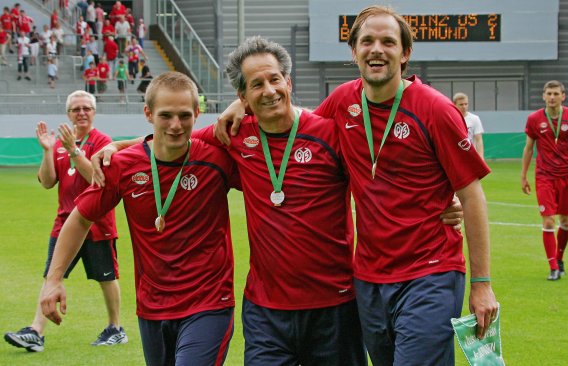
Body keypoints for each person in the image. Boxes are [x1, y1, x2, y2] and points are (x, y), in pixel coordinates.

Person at [92, 36, 464, 366]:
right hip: (265, 312)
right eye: (256, 84)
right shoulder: (233, 136)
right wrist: (119, 146)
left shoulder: (329, 134)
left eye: (274, 79)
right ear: (243, 97)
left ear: (288, 82)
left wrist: (440, 202)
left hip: (334, 305)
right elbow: (174, 141)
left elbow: (385, 178)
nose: (268, 90)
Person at [216, 6, 497, 366]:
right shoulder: (343, 102)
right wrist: (241, 105)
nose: (376, 49)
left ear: (405, 53)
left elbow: (471, 195)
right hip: (369, 277)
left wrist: (482, 282)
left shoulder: (436, 110)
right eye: (367, 41)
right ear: (354, 52)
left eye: (388, 41)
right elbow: (296, 125)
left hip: (430, 269)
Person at [40, 72, 237, 366]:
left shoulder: (218, 158)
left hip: (209, 303)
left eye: (185, 115)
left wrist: (241, 103)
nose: (175, 125)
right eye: (165, 115)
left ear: (198, 113)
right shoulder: (122, 165)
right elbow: (80, 218)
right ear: (148, 114)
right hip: (152, 307)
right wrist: (53, 280)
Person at [4, 90, 127, 353]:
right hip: (64, 224)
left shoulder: (103, 142)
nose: (81, 113)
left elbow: (98, 179)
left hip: (97, 224)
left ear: (94, 112)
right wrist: (49, 151)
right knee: (51, 276)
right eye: (75, 109)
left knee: (106, 277)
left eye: (86, 108)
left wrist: (74, 150)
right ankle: (36, 331)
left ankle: (115, 328)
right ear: (68, 114)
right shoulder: (58, 143)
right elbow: (47, 182)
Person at [521, 80, 568, 280]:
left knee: (565, 220)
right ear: (544, 96)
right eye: (549, 93)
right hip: (544, 176)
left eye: (556, 93)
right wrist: (523, 175)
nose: (552, 97)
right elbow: (529, 148)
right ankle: (553, 267)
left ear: (563, 96)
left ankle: (560, 258)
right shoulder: (534, 119)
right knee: (548, 220)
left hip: (567, 176)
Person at [454, 93, 485, 159]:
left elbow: (479, 139)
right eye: (461, 104)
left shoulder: (475, 119)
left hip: (471, 156)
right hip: (455, 157)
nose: (464, 106)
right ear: (455, 105)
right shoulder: (451, 119)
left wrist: (481, 157)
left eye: (466, 104)